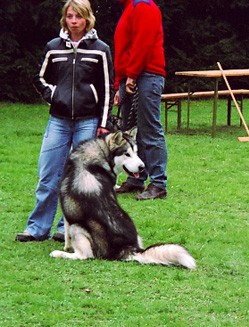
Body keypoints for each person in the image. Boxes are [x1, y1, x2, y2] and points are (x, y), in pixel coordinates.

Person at [16, 0, 113, 242]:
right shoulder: (53, 47)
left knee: (79, 177)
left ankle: (67, 229)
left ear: (87, 18)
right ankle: (37, 228)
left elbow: (108, 89)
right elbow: (39, 77)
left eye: (78, 17)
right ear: (64, 18)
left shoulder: (100, 49)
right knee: (48, 174)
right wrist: (54, 96)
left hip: (88, 121)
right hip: (58, 121)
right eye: (70, 16)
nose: (74, 21)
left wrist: (103, 122)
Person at [114, 0, 168, 200]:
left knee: (149, 130)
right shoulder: (129, 7)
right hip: (132, 75)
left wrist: (132, 75)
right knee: (132, 132)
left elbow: (142, 42)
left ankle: (159, 183)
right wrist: (118, 84)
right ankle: (137, 179)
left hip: (146, 75)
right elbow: (123, 50)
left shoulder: (143, 5)